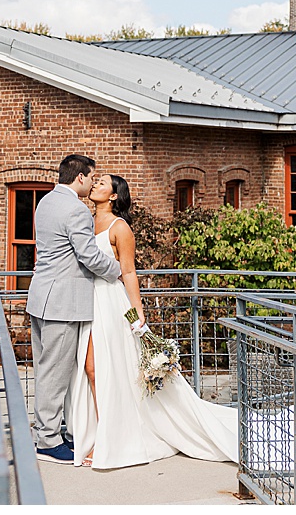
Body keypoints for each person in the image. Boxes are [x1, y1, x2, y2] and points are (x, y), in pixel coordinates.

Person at [66, 171, 237, 469]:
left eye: (102, 183)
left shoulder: (120, 228)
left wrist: (138, 317)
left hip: (111, 303)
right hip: (85, 302)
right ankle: (99, 433)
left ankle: (111, 439)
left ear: (114, 195)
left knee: (107, 369)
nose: (95, 185)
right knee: (91, 370)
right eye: (95, 182)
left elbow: (129, 273)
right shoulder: (83, 219)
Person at [25, 152, 129, 462]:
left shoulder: (45, 202)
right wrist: (117, 270)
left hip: (41, 297)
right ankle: (47, 440)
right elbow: (88, 256)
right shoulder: (77, 211)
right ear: (80, 177)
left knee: (47, 370)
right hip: (63, 304)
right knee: (55, 375)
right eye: (92, 177)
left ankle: (56, 432)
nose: (93, 182)